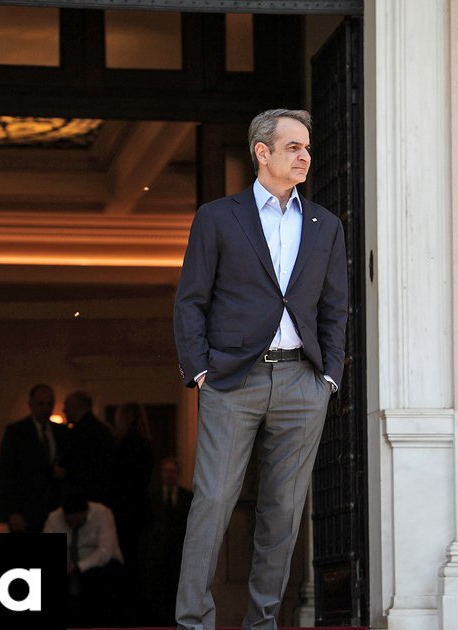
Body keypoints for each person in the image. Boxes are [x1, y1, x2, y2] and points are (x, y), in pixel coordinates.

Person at [172, 108, 348, 630]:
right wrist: (200, 371)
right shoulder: (217, 217)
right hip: (233, 381)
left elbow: (335, 308)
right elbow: (191, 301)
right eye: (293, 147)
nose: (305, 156)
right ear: (262, 152)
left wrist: (328, 377)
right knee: (213, 502)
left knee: (283, 510)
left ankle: (263, 622)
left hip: (302, 382)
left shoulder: (325, 225)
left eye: (307, 147)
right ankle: (193, 621)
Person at [44, 489, 125, 627]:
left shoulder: (102, 513)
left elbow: (105, 551)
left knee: (99, 579)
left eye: (76, 520)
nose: (73, 525)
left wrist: (78, 566)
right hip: (69, 567)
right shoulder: (54, 518)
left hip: (99, 567)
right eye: (69, 521)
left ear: (85, 512)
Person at [108, 402, 155, 625]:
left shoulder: (125, 446)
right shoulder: (146, 445)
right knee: (139, 566)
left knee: (127, 566)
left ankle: (128, 615)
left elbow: (119, 483)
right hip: (141, 514)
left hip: (125, 515)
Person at [0, 384, 67, 533]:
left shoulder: (61, 431)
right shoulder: (16, 432)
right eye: (41, 404)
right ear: (31, 404)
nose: (46, 409)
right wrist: (13, 511)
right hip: (27, 510)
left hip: (56, 509)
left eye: (49, 404)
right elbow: (7, 473)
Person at [144, 456, 193, 624]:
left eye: (172, 471)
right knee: (157, 593)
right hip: (156, 556)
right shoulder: (152, 496)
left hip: (178, 555)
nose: (169, 475)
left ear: (178, 473)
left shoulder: (187, 497)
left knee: (176, 593)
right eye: (166, 471)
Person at [61, 390, 115, 505]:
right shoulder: (103, 430)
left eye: (66, 406)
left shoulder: (77, 433)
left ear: (75, 406)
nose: (64, 410)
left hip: (82, 498)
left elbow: (71, 466)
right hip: (104, 494)